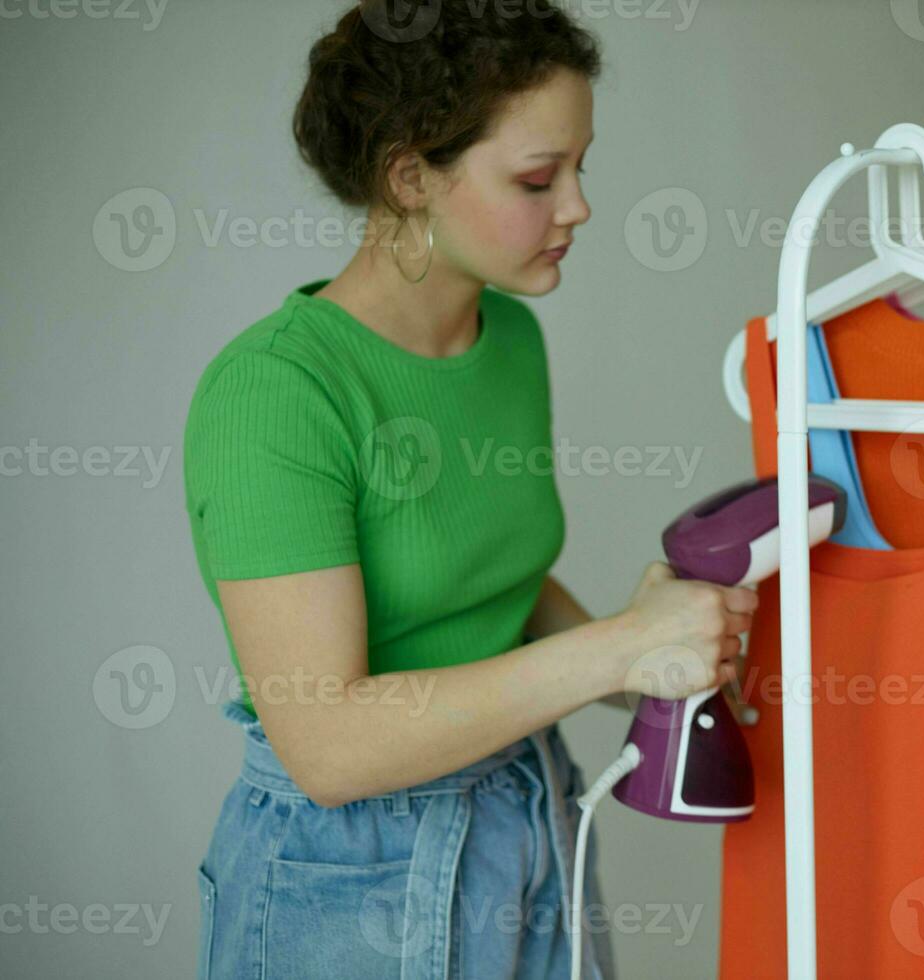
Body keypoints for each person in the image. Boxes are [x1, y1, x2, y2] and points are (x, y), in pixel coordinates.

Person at [183, 3, 756, 977]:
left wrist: (651, 656)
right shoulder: (277, 393)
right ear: (409, 175)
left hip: (524, 809)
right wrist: (617, 644)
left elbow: (497, 584)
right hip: (347, 870)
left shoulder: (510, 338)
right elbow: (328, 743)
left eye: (581, 166)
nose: (577, 205)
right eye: (539, 177)